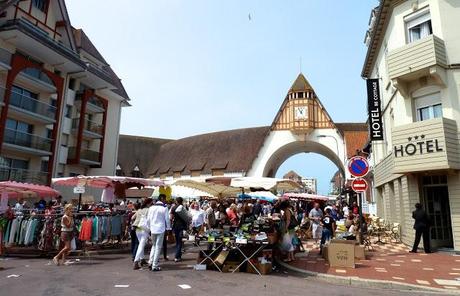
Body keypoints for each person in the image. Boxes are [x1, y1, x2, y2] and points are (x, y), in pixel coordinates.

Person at [147, 195, 171, 271]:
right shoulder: (164, 208)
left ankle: (150, 262)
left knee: (154, 246)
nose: (165, 200)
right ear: (162, 198)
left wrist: (149, 227)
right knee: (158, 247)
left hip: (152, 229)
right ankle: (154, 265)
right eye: (165, 199)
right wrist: (168, 228)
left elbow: (148, 219)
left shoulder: (151, 208)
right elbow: (167, 219)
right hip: (161, 229)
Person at [132, 198, 153, 270]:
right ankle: (136, 262)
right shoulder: (149, 210)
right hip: (144, 229)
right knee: (141, 245)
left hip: (137, 229)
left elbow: (132, 218)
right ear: (148, 203)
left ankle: (142, 260)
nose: (152, 204)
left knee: (141, 244)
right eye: (151, 203)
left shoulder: (139, 210)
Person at [170, 197, 189, 262]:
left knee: (177, 241)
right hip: (182, 226)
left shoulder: (173, 207)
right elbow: (187, 216)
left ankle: (178, 256)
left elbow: (171, 217)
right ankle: (177, 256)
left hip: (175, 226)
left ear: (176, 201)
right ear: (182, 201)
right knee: (180, 242)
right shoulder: (184, 207)